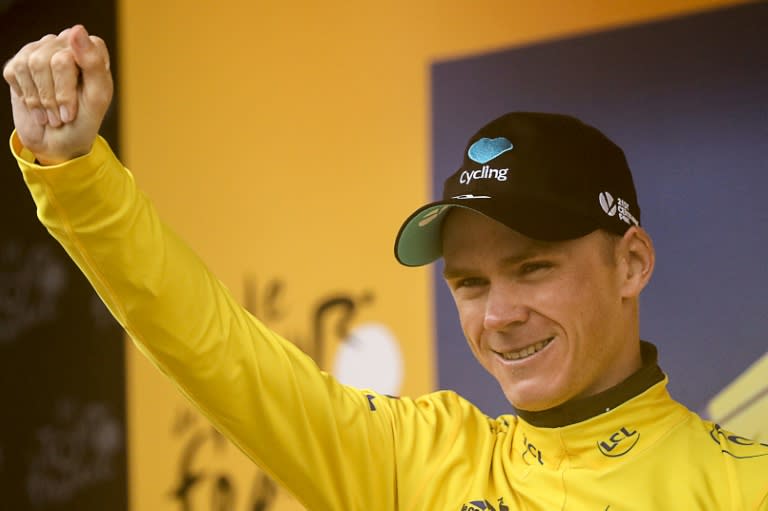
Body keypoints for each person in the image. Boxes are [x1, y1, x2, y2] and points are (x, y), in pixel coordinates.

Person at [4, 25, 767, 511]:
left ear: (631, 262)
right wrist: (74, 170)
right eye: (469, 282)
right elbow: (211, 343)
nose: (498, 313)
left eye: (532, 267)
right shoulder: (416, 458)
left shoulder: (743, 485)